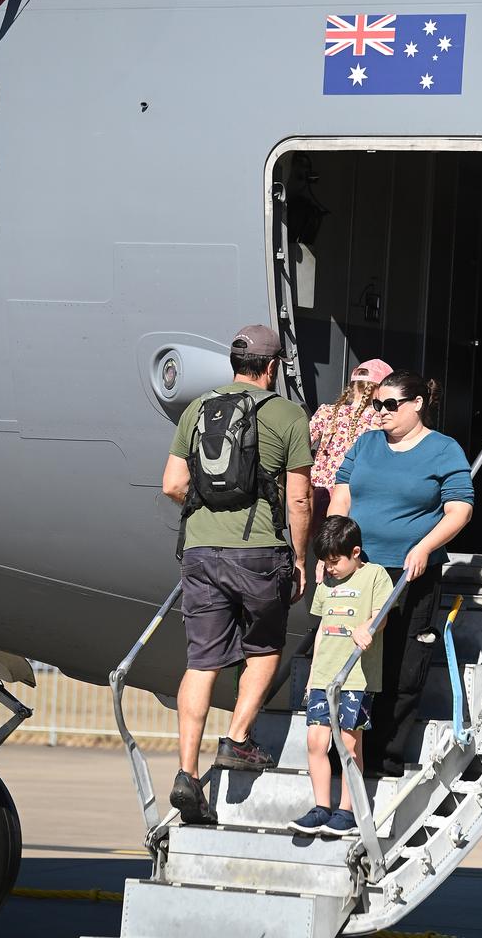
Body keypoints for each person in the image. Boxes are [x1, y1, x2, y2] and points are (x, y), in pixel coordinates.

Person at [162, 325, 313, 824]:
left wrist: (210, 509)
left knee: (201, 661)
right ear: (271, 368)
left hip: (201, 552)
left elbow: (172, 484)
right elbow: (299, 498)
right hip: (259, 553)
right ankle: (238, 739)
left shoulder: (198, 409)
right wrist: (299, 557)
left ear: (233, 363)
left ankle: (186, 773)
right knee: (265, 649)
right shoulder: (288, 415)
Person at [327, 370, 474, 777]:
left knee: (402, 664)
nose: (381, 413)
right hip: (360, 569)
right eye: (377, 404)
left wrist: (425, 546)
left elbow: (459, 508)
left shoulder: (443, 450)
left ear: (417, 405)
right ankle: (341, 753)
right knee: (352, 658)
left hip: (410, 572)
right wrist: (333, 548)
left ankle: (382, 757)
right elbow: (343, 493)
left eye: (390, 405)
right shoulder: (367, 443)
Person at [288, 516, 392, 837]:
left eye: (335, 562)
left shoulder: (375, 575)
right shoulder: (327, 584)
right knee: (315, 741)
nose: (329, 568)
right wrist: (311, 674)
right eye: (325, 562)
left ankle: (347, 811)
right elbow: (321, 630)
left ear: (356, 552)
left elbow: (382, 615)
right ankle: (322, 807)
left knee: (348, 743)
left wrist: (369, 626)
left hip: (355, 679)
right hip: (324, 676)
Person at [308, 359, 393, 531]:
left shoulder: (327, 411)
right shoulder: (380, 419)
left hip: (320, 495)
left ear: (353, 385)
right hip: (358, 498)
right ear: (379, 390)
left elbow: (300, 445)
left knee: (324, 550)